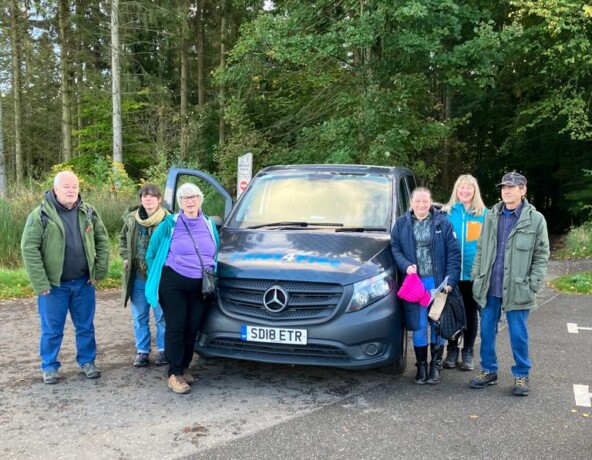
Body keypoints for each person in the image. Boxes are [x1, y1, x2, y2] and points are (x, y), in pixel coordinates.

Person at [21, 171, 110, 384]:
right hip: (53, 286)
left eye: (75, 186)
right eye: (66, 186)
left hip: (83, 283)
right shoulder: (40, 214)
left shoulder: (88, 212)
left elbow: (102, 240)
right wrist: (40, 282)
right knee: (52, 329)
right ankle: (49, 366)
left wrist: (98, 271)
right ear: (55, 190)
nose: (71, 190)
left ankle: (87, 361)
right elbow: (29, 248)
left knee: (85, 326)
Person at [470, 172, 550, 396]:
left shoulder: (535, 220)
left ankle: (522, 374)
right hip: (490, 284)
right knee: (486, 330)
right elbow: (481, 248)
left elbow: (541, 255)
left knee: (518, 333)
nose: (506, 190)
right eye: (504, 187)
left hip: (518, 286)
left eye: (512, 187)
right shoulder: (491, 216)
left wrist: (533, 283)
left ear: (523, 190)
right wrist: (477, 275)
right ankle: (488, 370)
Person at [145, 183, 219, 394]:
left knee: (192, 327)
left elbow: (215, 253)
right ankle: (174, 373)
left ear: (200, 199)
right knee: (177, 326)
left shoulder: (209, 224)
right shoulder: (169, 224)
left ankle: (184, 367)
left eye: (193, 196)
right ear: (180, 202)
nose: (190, 200)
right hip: (174, 283)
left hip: (201, 285)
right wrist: (158, 276)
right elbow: (152, 253)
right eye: (185, 198)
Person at [391, 187, 461, 384]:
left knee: (437, 324)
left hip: (437, 283)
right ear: (411, 203)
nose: (421, 205)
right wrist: (405, 266)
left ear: (431, 202)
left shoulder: (443, 223)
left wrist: (451, 282)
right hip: (416, 284)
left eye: (425, 201)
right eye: (417, 202)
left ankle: (435, 365)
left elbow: (454, 255)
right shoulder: (402, 224)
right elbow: (395, 248)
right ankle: (421, 366)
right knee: (420, 325)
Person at [119, 184, 169, 367]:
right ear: (141, 199)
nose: (148, 199)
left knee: (162, 315)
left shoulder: (168, 220)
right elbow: (122, 239)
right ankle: (143, 351)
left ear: (159, 199)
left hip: (159, 277)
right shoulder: (132, 220)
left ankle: (163, 350)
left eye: (152, 196)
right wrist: (125, 257)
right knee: (140, 316)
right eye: (144, 196)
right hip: (138, 277)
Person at [442, 174, 487, 371]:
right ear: (456, 190)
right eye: (461, 187)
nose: (465, 191)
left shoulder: (484, 214)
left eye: (469, 188)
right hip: (451, 273)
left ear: (474, 190)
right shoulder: (446, 213)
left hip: (472, 274)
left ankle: (467, 351)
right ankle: (451, 349)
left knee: (470, 313)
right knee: (451, 312)